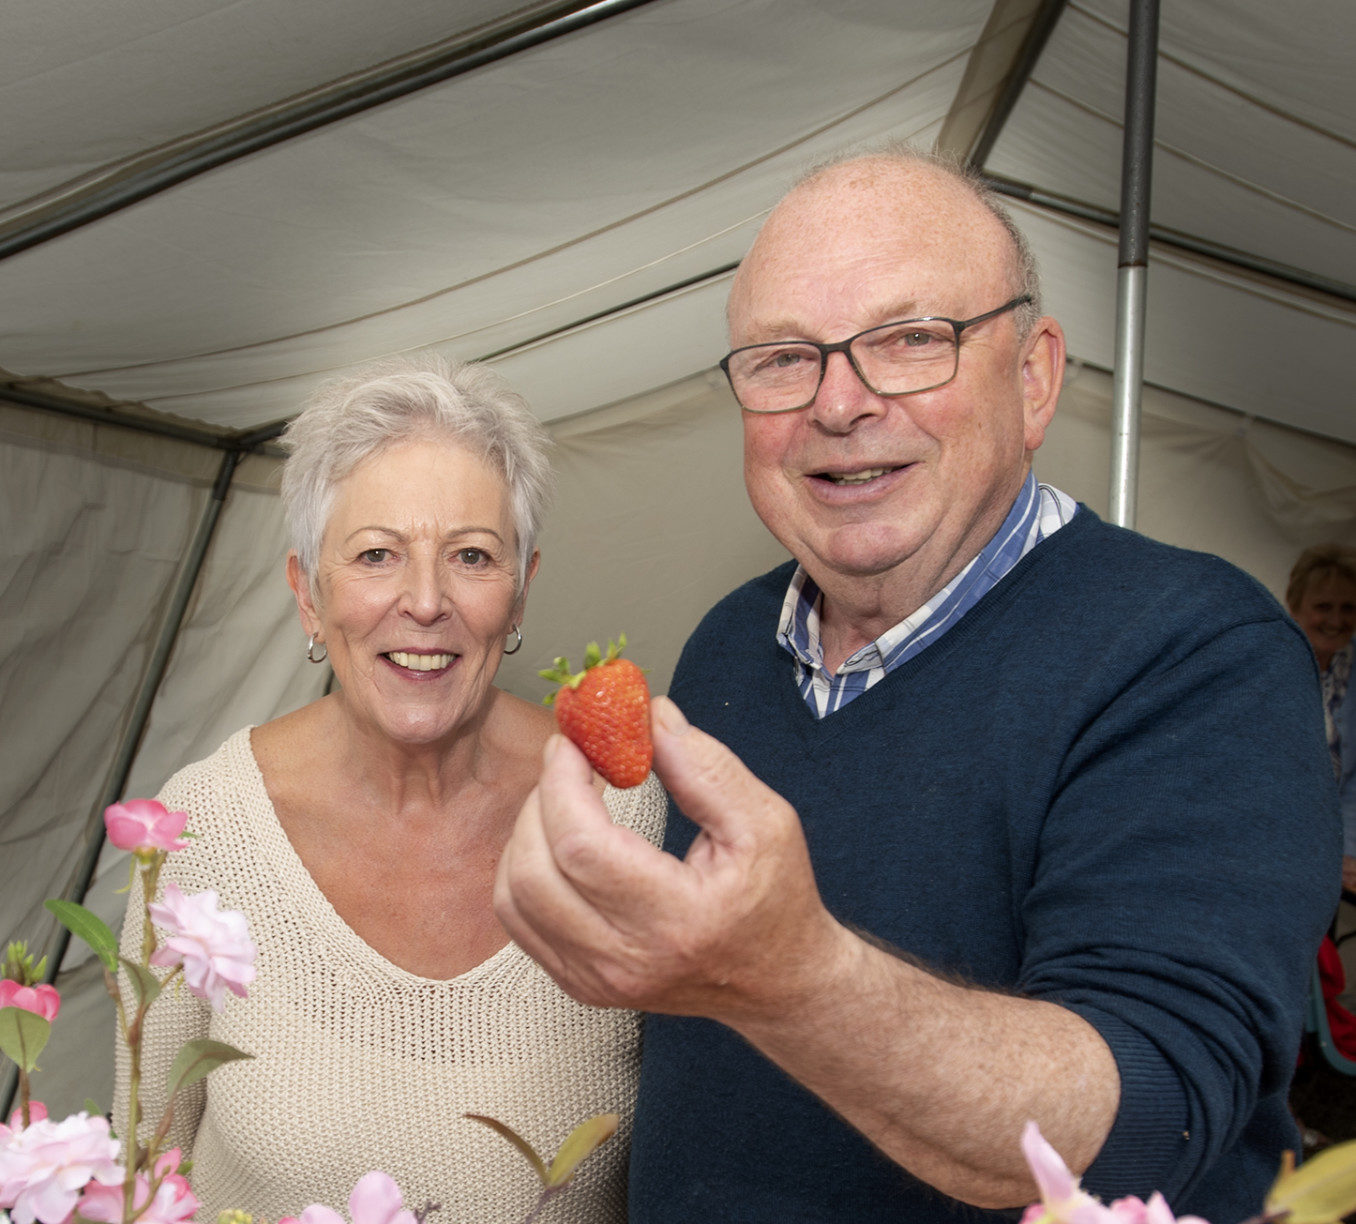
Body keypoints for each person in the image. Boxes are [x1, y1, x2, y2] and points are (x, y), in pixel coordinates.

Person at [493, 147, 1340, 1223]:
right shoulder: (729, 647)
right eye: (782, 358)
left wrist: (795, 976)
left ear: (1033, 377)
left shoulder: (1196, 652)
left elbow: (1144, 1126)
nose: (839, 403)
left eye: (908, 341)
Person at [114, 357, 666, 1223]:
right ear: (308, 594)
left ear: (520, 593)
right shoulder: (202, 831)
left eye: (472, 556)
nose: (424, 601)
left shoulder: (627, 816)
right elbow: (142, 1171)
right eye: (377, 554)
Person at [1287, 544, 1356, 890]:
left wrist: (1348, 852)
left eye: (1348, 608)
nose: (1335, 620)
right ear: (1294, 604)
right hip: (1277, 841)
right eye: (1323, 607)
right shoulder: (1273, 663)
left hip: (1335, 845)